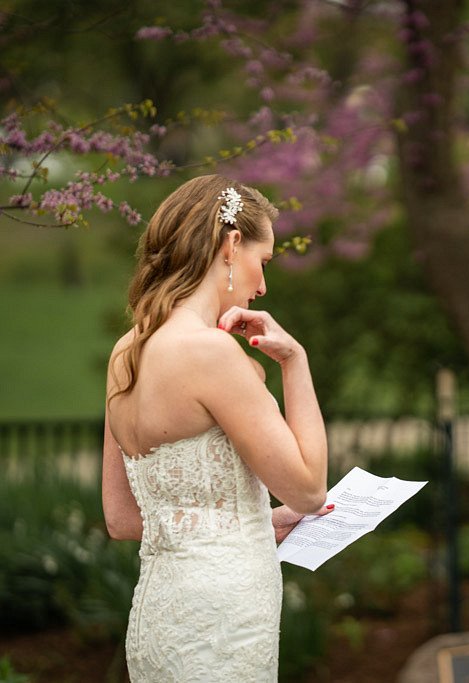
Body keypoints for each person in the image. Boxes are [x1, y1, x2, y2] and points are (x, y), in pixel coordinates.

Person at [101, 174, 331, 682]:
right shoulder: (211, 353)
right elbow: (310, 489)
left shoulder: (126, 352)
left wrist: (253, 523)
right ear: (230, 246)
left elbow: (123, 519)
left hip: (158, 618)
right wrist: (296, 361)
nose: (263, 285)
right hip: (222, 622)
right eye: (263, 261)